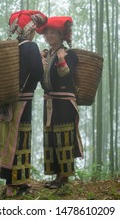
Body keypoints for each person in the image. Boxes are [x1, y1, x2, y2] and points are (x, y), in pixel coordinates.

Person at [0, 10, 47, 197]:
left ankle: (16, 181)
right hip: (23, 101)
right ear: (30, 30)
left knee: (9, 138)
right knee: (19, 139)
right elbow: (37, 72)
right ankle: (13, 184)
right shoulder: (30, 47)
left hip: (7, 100)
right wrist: (42, 62)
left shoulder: (10, 46)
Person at [38, 16, 84, 189]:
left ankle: (63, 177)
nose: (48, 35)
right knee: (51, 137)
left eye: (52, 32)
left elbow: (66, 74)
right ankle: (57, 175)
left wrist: (61, 58)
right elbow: (41, 79)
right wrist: (41, 60)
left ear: (60, 35)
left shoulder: (69, 54)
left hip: (64, 103)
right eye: (46, 32)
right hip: (50, 102)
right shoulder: (46, 54)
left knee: (63, 138)